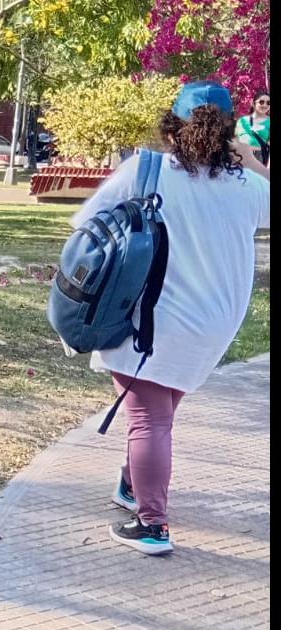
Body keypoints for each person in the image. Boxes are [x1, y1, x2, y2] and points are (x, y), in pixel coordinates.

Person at [73, 81, 269, 556]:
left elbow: (85, 224)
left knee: (147, 419)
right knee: (160, 410)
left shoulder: (146, 169)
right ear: (228, 131)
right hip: (215, 323)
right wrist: (250, 157)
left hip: (152, 318)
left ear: (172, 123)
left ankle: (152, 525)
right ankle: (129, 485)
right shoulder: (247, 185)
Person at [236, 92, 269, 165]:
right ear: (254, 103)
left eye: (268, 103)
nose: (265, 105)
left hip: (260, 157)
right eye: (261, 102)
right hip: (243, 156)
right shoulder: (242, 120)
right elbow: (236, 140)